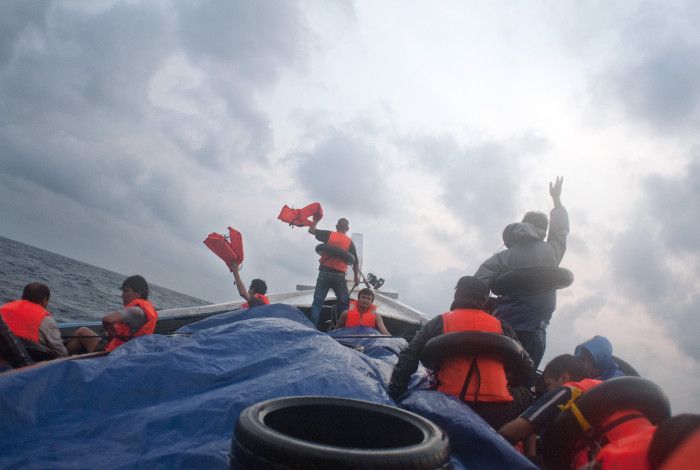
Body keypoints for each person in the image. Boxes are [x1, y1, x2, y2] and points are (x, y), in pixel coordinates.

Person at [388, 276, 532, 430]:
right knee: (526, 395)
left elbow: (408, 358)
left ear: (456, 296)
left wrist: (394, 397)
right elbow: (527, 366)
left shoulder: (438, 322)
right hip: (496, 412)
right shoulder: (503, 327)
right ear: (483, 300)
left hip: (447, 405)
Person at [499, 354, 657, 469]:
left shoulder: (570, 391)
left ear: (563, 379)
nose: (546, 392)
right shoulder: (622, 407)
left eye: (548, 385)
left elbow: (512, 432)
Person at [475, 177, 569, 369]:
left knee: (494, 372)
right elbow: (561, 231)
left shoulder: (504, 257)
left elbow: (479, 281)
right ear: (543, 231)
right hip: (535, 334)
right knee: (522, 381)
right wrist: (557, 201)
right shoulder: (552, 251)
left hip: (502, 330)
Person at [66, 275, 158, 354]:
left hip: (110, 353)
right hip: (126, 353)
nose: (122, 295)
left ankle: (60, 359)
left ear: (138, 293)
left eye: (126, 291)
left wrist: (109, 332)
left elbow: (107, 319)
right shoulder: (146, 311)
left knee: (82, 331)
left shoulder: (135, 311)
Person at [308, 218, 360, 328]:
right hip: (339, 276)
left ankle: (311, 328)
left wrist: (315, 220)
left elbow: (311, 230)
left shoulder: (328, 234)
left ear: (336, 226)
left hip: (324, 272)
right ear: (347, 229)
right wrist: (356, 278)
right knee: (344, 303)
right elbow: (355, 262)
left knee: (318, 302)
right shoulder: (350, 242)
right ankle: (343, 329)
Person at [0, 283, 67, 358]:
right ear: (45, 300)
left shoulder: (3, 308)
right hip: (30, 362)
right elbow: (61, 353)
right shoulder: (46, 321)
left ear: (23, 296)